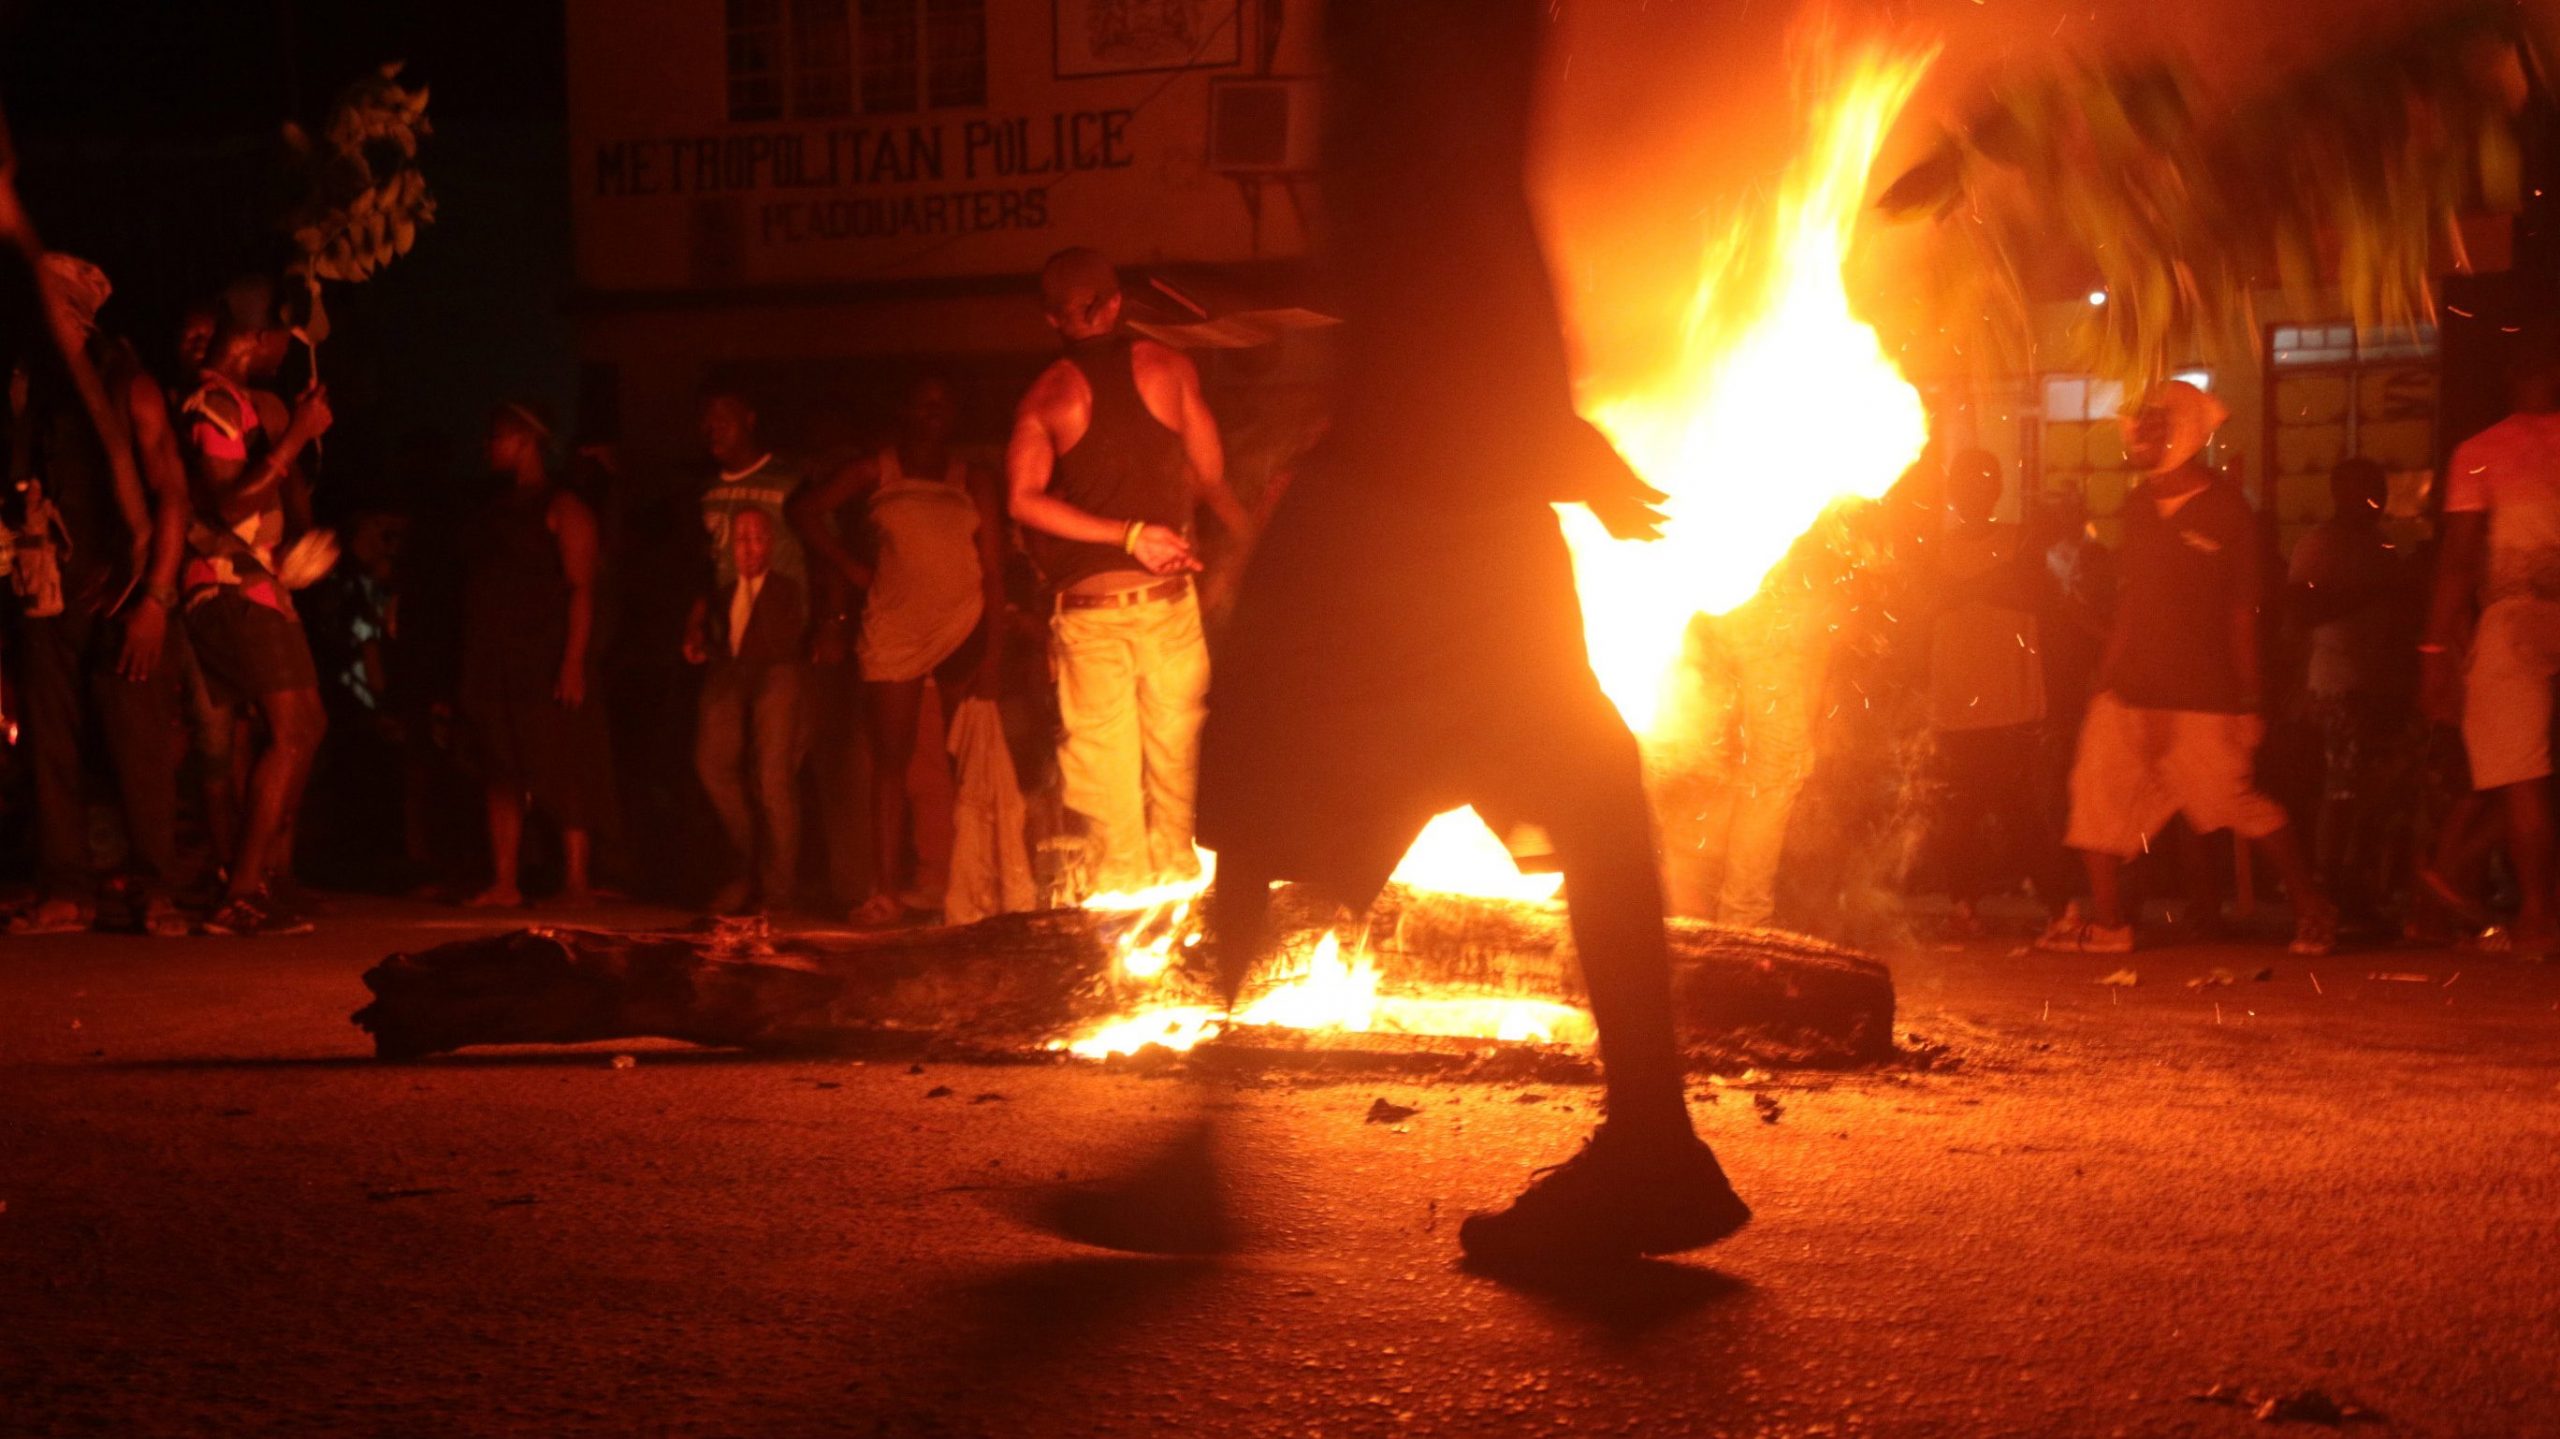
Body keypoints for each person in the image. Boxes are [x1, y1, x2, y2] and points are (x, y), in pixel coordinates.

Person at [1197, 0, 1749, 1264]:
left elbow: (1455, 217)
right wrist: (1538, 429)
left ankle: (1196, 1147)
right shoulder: (1426, 57)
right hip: (1444, 477)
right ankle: (1652, 1138)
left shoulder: (1416, 51)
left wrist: (1536, 428)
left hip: (1412, 487)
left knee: (1263, 760)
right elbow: (1466, 217)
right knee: (1576, 776)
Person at [2038, 380, 2336, 957]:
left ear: (2185, 434)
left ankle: (2312, 906)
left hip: (2203, 697)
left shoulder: (2227, 512)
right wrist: (2106, 673)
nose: (2138, 434)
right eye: (2137, 424)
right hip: (2129, 693)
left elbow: (2242, 612)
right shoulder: (2138, 506)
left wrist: (2249, 701)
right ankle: (2110, 924)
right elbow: (2131, 599)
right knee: (2094, 802)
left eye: (2153, 424)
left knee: (2232, 804)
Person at [1006, 247, 1253, 897]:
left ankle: (1125, 934)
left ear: (1051, 319)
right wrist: (1146, 528)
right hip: (1168, 601)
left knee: (1110, 796)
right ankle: (1178, 917)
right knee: (1177, 778)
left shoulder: (1046, 396)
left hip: (1091, 616)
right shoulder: (1171, 369)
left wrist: (1121, 532)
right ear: (1116, 305)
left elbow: (1021, 498)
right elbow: (1209, 470)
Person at [3, 253, 196, 937]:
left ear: (76, 317)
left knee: (137, 745)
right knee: (49, 744)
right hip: (44, 593)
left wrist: (156, 601)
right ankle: (66, 889)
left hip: (125, 598)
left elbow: (174, 495)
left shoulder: (128, 386)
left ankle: (154, 888)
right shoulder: (26, 391)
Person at [790, 376, 1007, 926]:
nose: (934, 410)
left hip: (961, 625)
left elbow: (995, 571)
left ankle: (962, 884)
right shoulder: (876, 470)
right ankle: (883, 891)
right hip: (895, 631)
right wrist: (850, 568)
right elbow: (805, 513)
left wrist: (994, 655)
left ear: (955, 415)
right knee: (891, 764)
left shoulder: (971, 478)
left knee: (961, 760)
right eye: (924, 400)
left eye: (944, 402)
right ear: (906, 410)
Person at [172, 309, 335, 936]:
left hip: (259, 586)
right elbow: (228, 501)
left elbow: (272, 497)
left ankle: (257, 878)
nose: (284, 353)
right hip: (226, 585)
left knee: (306, 727)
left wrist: (297, 434)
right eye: (279, 341)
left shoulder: (244, 403)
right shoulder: (213, 402)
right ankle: (239, 892)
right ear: (252, 337)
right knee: (288, 732)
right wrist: (294, 437)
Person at [2421, 335, 2560, 948]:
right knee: (2523, 777)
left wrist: (2433, 653)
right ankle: (2449, 886)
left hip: (2513, 615)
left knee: (2518, 776)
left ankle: (2534, 916)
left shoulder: (2481, 453)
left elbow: (2457, 559)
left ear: (2509, 377)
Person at [1911, 450, 2075, 935]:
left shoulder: (2019, 538)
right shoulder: (1937, 548)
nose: (1971, 490)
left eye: (1982, 480)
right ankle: (1965, 906)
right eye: (1963, 481)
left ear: (1997, 487)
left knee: (2019, 809)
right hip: (1956, 701)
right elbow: (1927, 602)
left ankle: (2059, 905)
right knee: (1960, 814)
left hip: (2011, 701)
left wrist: (1965, 589)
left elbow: (2031, 593)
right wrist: (1980, 587)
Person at [458, 403, 611, 907]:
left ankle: (576, 880)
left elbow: (582, 588)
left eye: (498, 437)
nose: (489, 447)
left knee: (563, 762)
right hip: (496, 655)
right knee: (500, 764)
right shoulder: (494, 506)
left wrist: (572, 662)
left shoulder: (564, 505)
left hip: (545, 655)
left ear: (525, 440)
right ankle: (504, 881)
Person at [2286, 457, 2408, 914]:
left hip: (2373, 684)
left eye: (2381, 488)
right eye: (2368, 489)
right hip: (2336, 684)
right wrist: (2373, 593)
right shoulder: (2320, 544)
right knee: (2341, 789)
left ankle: (2352, 884)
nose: (2378, 499)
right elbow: (2299, 611)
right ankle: (2328, 884)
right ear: (2340, 492)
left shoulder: (2381, 545)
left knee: (2366, 791)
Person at [687, 506, 806, 913]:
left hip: (775, 674)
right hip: (733, 675)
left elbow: (781, 640)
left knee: (772, 778)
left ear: (771, 544)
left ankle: (778, 889)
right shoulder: (724, 594)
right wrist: (699, 638)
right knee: (712, 764)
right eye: (742, 539)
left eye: (758, 538)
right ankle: (749, 863)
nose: (750, 548)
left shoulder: (785, 590)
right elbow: (721, 634)